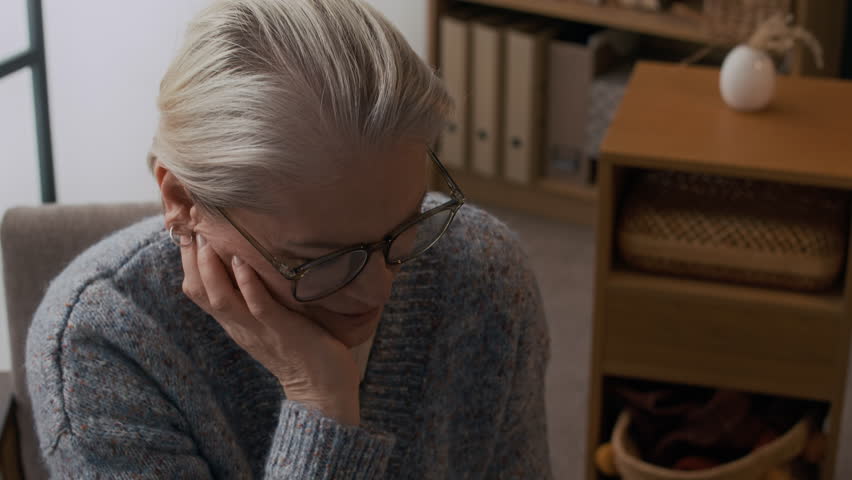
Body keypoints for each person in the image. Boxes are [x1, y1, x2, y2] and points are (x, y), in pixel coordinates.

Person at [26, 0, 553, 477]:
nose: (378, 292)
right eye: (322, 259)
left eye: (406, 224)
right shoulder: (100, 345)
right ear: (182, 201)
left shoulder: (483, 270)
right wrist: (319, 400)